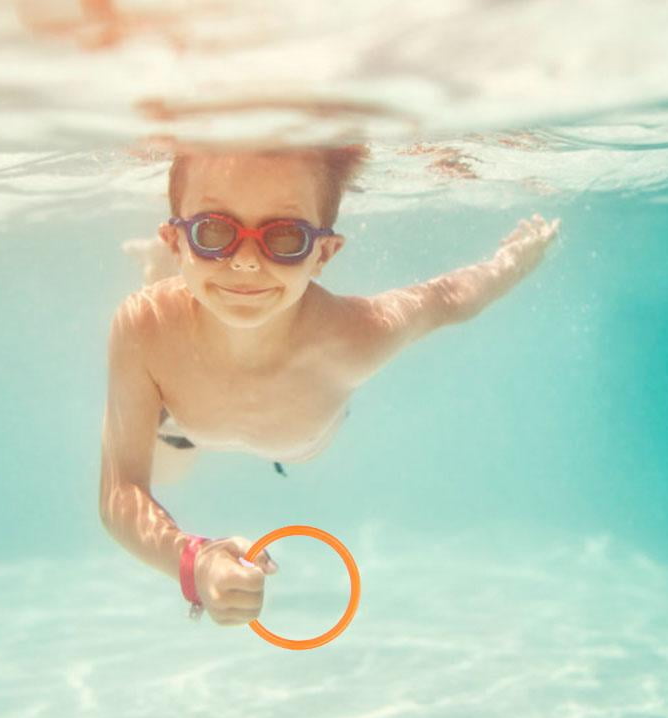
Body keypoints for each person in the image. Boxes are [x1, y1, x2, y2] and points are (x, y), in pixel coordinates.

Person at [99, 143, 560, 626]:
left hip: (296, 439)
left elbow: (446, 300)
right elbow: (120, 493)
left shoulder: (352, 337)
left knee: (268, 447)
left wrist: (511, 264)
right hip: (180, 417)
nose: (246, 262)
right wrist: (193, 561)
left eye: (284, 238)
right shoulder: (143, 327)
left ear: (323, 253)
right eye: (213, 232)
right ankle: (164, 275)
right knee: (169, 470)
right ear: (177, 241)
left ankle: (175, 269)